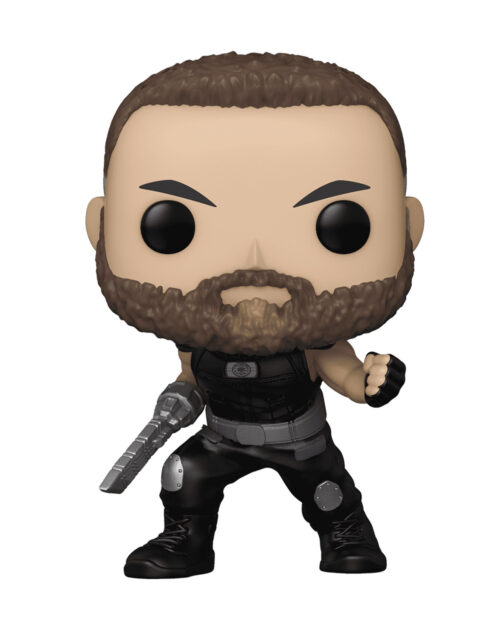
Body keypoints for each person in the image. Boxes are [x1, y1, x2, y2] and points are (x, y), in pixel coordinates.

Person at [86, 52, 424, 578]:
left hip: (300, 440)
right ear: (101, 230)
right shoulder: (198, 335)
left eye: (340, 225)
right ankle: (186, 540)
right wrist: (177, 399)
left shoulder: (314, 341)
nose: (255, 260)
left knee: (329, 495)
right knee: (183, 474)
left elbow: (348, 376)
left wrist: (373, 383)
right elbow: (190, 377)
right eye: (170, 225)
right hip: (222, 437)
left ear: (408, 230)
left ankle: (347, 535)